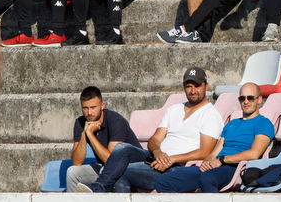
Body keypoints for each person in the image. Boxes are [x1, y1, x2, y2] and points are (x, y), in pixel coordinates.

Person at [79, 67, 223, 192]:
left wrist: (171, 159)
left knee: (119, 171)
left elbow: (205, 152)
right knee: (121, 148)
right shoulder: (174, 109)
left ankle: (100, 188)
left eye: (197, 86)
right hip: (155, 158)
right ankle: (101, 186)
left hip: (177, 167)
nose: (193, 91)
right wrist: (158, 152)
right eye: (189, 86)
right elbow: (155, 139)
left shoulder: (210, 114)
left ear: (206, 86)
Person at [153, 84, 274, 193]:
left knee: (208, 178)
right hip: (216, 165)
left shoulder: (264, 123)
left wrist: (221, 160)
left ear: (259, 99)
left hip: (236, 167)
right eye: (242, 98)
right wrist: (207, 162)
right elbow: (215, 152)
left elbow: (254, 154)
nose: (246, 101)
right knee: (163, 181)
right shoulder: (232, 124)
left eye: (250, 98)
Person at [63, 86, 141, 192]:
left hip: (131, 168)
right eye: (85, 108)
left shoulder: (116, 121)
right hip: (105, 168)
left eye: (93, 107)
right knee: (72, 172)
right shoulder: (80, 122)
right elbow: (77, 161)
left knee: (105, 169)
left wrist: (90, 134)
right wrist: (84, 134)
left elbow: (111, 161)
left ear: (102, 106)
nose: (89, 112)